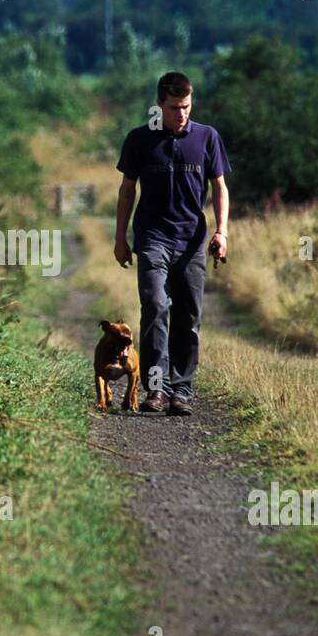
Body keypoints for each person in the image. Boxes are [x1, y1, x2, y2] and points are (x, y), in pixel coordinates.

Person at [113, 71, 230, 416]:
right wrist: (121, 238)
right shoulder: (139, 140)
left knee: (188, 315)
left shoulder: (207, 138)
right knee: (155, 306)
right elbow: (126, 190)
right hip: (152, 237)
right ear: (160, 105)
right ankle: (155, 389)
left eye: (187, 106)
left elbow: (220, 187)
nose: (182, 114)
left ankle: (181, 390)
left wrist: (221, 231)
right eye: (176, 107)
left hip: (192, 241)